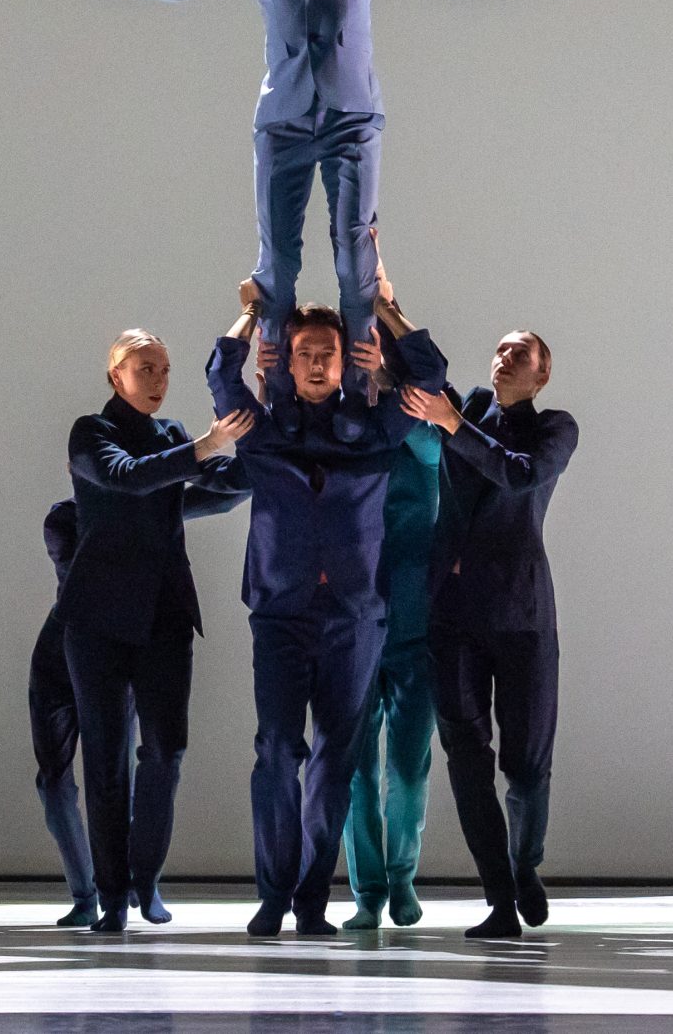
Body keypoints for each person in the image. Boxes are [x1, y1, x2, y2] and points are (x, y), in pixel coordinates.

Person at [8, 0, 608, 351]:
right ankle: (276, 389)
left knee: (354, 255)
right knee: (277, 261)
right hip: (284, 119)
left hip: (352, 118)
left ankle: (362, 384)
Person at [206, 283, 448, 936]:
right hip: (280, 615)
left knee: (336, 760)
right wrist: (253, 314)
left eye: (327, 354)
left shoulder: (375, 429)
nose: (315, 364)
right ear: (286, 360)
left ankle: (312, 901)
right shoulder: (262, 431)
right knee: (277, 751)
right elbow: (220, 375)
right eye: (304, 353)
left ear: (346, 361)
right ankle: (274, 894)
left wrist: (386, 316)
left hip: (355, 618)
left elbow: (429, 375)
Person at [386, 284, 580, 940]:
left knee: (526, 765)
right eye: (499, 349)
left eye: (520, 353)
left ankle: (525, 864)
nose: (504, 357)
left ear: (542, 373)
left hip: (522, 617)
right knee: (465, 757)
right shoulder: (464, 407)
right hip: (453, 616)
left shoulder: (555, 428)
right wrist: (386, 306)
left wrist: (451, 425)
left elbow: (519, 474)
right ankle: (498, 896)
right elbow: (421, 371)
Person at [57, 329, 255, 931]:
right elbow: (126, 478)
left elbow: (217, 489)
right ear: (116, 374)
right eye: (146, 368)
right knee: (106, 761)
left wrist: (263, 452)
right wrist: (205, 448)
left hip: (164, 617)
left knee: (166, 751)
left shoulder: (172, 436)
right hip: (97, 620)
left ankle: (145, 878)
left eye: (165, 369)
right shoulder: (91, 432)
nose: (159, 380)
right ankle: (113, 895)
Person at [340, 285, 443, 933]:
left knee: (407, 766)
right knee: (353, 770)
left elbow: (433, 451)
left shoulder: (419, 413)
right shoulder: (340, 421)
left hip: (413, 619)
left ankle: (402, 876)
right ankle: (367, 892)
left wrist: (388, 377)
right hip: (350, 620)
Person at [30, 499, 104, 928]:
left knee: (102, 777)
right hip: (70, 650)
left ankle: (100, 890)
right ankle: (90, 893)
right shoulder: (65, 518)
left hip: (91, 649)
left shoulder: (72, 516)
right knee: (58, 781)